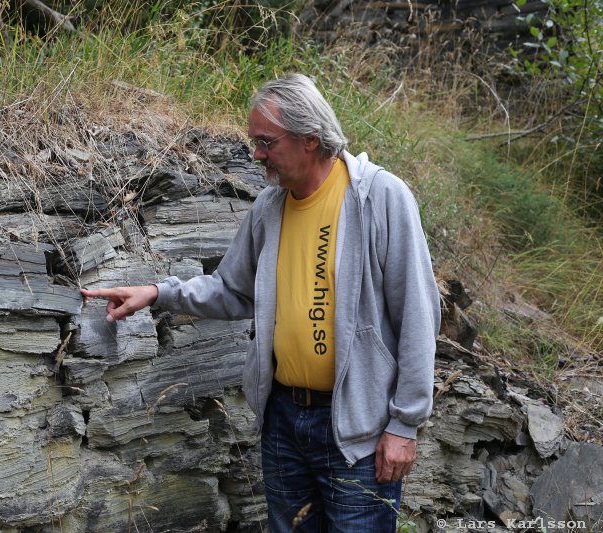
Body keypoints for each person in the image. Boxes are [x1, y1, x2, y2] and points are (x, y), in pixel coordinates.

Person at [81, 73, 441, 532]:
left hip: (359, 430)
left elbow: (418, 315)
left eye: (266, 142)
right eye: (255, 141)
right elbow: (232, 290)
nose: (257, 155)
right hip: (285, 423)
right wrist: (158, 292)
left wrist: (404, 425)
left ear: (310, 139)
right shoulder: (270, 207)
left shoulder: (381, 198)